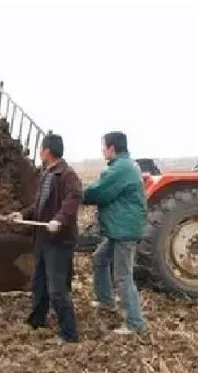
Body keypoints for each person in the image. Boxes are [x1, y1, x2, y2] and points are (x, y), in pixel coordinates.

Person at [8, 134, 82, 343]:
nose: (40, 153)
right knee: (39, 283)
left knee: (57, 289)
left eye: (41, 150)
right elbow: (39, 206)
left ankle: (70, 334)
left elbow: (74, 198)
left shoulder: (67, 175)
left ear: (47, 151)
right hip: (43, 240)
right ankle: (37, 320)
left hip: (59, 242)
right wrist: (22, 215)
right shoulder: (47, 174)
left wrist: (59, 220)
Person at [83, 131, 147, 335]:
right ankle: (106, 300)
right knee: (100, 259)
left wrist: (75, 194)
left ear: (112, 148)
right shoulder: (124, 165)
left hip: (124, 231)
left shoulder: (122, 168)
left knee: (123, 275)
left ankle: (135, 323)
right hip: (119, 229)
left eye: (104, 146)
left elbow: (99, 191)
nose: (102, 150)